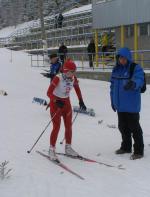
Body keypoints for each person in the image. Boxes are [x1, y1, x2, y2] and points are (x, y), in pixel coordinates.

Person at [47, 59, 87, 160]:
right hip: (56, 105)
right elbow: (48, 93)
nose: (73, 73)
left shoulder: (73, 78)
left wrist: (81, 101)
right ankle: (51, 149)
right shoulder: (58, 78)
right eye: (72, 71)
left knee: (69, 126)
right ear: (66, 70)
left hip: (66, 104)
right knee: (56, 127)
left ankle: (68, 147)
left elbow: (77, 89)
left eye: (74, 71)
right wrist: (56, 100)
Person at [110, 47, 144, 160]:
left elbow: (140, 79)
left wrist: (133, 84)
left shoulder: (135, 68)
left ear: (128, 58)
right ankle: (126, 147)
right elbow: (112, 87)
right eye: (120, 58)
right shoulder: (116, 70)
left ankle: (138, 150)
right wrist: (112, 100)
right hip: (120, 106)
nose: (122, 60)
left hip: (131, 105)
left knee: (135, 128)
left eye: (124, 58)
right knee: (123, 127)